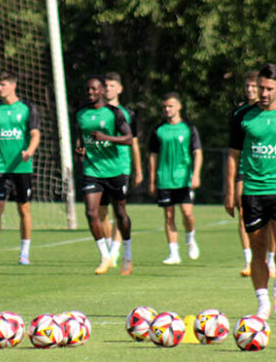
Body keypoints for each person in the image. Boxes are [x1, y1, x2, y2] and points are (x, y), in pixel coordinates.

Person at [224, 63, 276, 320]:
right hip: (252, 190)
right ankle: (262, 303)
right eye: (260, 87)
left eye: (268, 88)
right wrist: (230, 192)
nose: (263, 93)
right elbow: (233, 156)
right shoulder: (242, 116)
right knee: (258, 247)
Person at [0, 71, 41, 266]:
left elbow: (35, 134)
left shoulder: (27, 108)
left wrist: (29, 152)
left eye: (3, 84)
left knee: (24, 209)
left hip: (21, 168)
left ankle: (24, 253)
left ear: (13, 85)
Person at [73, 76, 134, 275]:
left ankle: (127, 252)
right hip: (92, 170)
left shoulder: (114, 113)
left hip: (114, 171)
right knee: (91, 213)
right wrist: (80, 149)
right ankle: (105, 257)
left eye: (94, 89)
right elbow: (80, 138)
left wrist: (106, 138)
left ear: (101, 91)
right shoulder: (81, 114)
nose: (90, 93)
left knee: (120, 214)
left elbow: (128, 139)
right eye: (87, 90)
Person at [148, 92, 203, 264]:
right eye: (164, 107)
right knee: (169, 216)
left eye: (170, 106)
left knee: (187, 213)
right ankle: (174, 253)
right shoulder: (158, 130)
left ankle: (190, 239)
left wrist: (196, 175)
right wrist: (151, 180)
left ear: (179, 106)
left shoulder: (188, 128)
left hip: (183, 178)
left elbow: (198, 153)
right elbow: (152, 155)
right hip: (164, 178)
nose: (167, 109)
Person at [99, 72, 142, 274]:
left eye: (112, 85)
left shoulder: (127, 114)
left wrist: (138, 169)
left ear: (120, 89)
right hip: (100, 167)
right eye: (105, 85)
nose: (108, 89)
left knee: (118, 210)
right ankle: (109, 250)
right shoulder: (96, 112)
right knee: (100, 213)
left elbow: (133, 143)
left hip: (121, 166)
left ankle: (115, 252)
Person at [231, 71, 262, 277]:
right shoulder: (239, 114)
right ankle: (249, 261)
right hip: (244, 170)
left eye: (253, 87)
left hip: (266, 171)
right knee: (243, 214)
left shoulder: (274, 112)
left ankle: (269, 260)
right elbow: (233, 150)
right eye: (247, 87)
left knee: (270, 220)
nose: (250, 90)